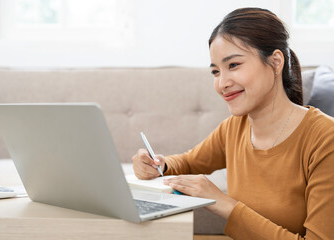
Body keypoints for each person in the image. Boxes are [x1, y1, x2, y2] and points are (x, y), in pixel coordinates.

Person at [132, 7, 334, 240]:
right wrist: (157, 165)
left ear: (276, 62)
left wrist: (224, 203)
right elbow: (189, 161)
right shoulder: (234, 128)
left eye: (234, 65)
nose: (222, 83)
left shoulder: (325, 138)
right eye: (216, 72)